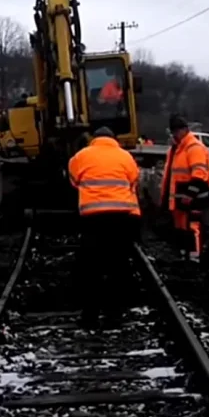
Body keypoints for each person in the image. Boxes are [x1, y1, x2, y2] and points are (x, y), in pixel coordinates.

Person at [68, 126, 142, 328]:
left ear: (94, 139)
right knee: (118, 266)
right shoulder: (126, 156)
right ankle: (114, 315)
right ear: (113, 139)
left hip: (92, 219)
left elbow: (74, 181)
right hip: (121, 218)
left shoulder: (80, 156)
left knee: (91, 267)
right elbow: (133, 181)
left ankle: (90, 316)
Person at [159, 114, 209, 262]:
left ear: (184, 130)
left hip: (193, 197)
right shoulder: (176, 149)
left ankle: (194, 258)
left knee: (192, 226)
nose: (175, 135)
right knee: (181, 228)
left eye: (177, 131)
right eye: (173, 132)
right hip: (179, 198)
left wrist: (190, 194)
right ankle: (184, 255)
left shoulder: (193, 148)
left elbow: (200, 174)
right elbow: (172, 175)